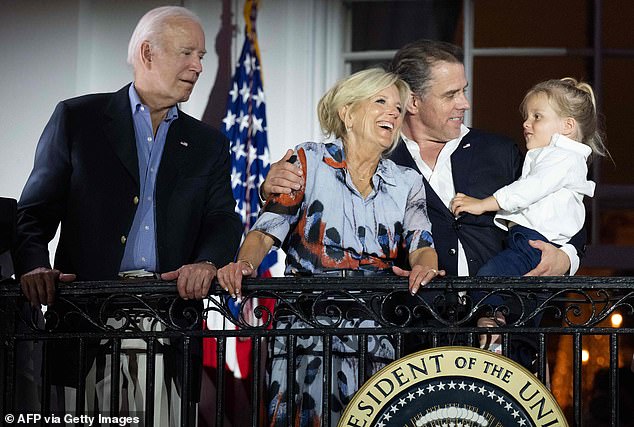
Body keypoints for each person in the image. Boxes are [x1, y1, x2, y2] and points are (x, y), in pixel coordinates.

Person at [261, 40, 586, 369]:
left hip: (506, 345)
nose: (465, 103)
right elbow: (323, 195)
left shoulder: (500, 151)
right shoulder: (380, 160)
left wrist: (566, 257)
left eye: (464, 90)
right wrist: (275, 184)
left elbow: (565, 203)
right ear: (413, 102)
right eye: (451, 95)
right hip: (411, 350)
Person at [13, 6, 242, 425]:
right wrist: (34, 267)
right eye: (187, 53)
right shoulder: (77, 119)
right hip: (84, 318)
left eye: (203, 57)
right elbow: (34, 213)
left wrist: (207, 261)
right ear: (148, 53)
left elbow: (223, 219)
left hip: (167, 319)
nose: (197, 67)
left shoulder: (209, 144)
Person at [217, 68, 442, 426]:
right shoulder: (307, 162)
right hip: (305, 336)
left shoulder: (407, 182)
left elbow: (422, 246)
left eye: (398, 108)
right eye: (380, 102)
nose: (393, 113)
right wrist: (244, 264)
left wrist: (424, 265)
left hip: (375, 338)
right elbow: (264, 233)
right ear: (348, 113)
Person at [451, 78, 607, 276]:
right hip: (526, 241)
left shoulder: (564, 157)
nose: (526, 123)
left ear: (568, 125)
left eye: (537, 117)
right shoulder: (553, 158)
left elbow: (529, 189)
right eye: (527, 116)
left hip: (533, 243)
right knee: (494, 287)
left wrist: (482, 204)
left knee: (487, 283)